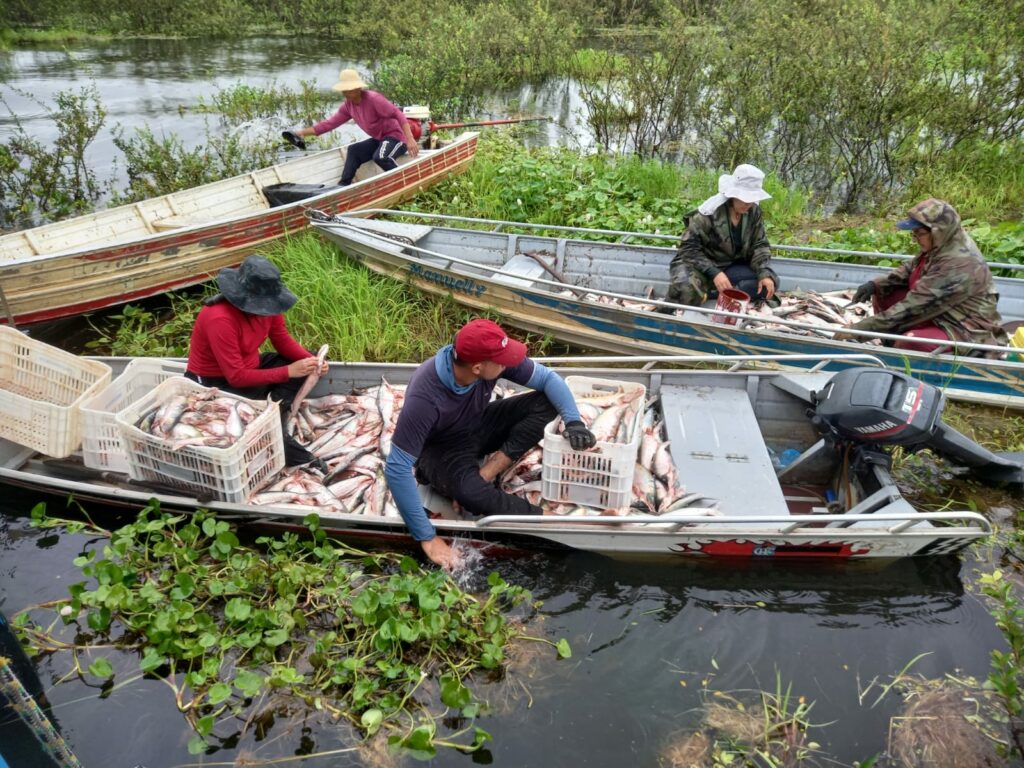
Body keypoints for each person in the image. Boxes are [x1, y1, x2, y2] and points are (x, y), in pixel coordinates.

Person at [384, 318, 597, 570]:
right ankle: (550, 521)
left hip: (477, 422)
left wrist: (573, 421)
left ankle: (488, 472)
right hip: (441, 449)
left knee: (547, 402)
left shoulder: (487, 362)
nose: (508, 362)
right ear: (477, 368)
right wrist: (427, 538)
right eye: (502, 359)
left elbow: (548, 379)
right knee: (472, 494)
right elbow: (397, 468)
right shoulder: (425, 397)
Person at [185, 255, 329, 470]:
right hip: (216, 383)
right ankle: (297, 454)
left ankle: (277, 409)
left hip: (250, 368)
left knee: (305, 359)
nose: (265, 311)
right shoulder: (219, 318)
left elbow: (280, 338)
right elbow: (236, 376)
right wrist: (289, 371)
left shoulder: (269, 308)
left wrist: (310, 361)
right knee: (274, 431)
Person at [834, 198, 1007, 355]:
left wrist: (859, 330)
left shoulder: (958, 263)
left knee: (911, 343)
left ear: (938, 231)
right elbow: (911, 267)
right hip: (942, 313)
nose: (915, 238)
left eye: (919, 233)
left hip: (964, 328)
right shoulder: (942, 243)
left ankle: (909, 361)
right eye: (913, 233)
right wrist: (875, 284)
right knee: (884, 290)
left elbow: (914, 306)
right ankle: (891, 342)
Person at [665, 163, 778, 308]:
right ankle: (709, 290)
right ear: (733, 195)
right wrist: (714, 273)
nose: (748, 204)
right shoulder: (709, 213)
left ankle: (713, 293)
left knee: (769, 283)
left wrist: (764, 272)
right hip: (698, 265)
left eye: (751, 199)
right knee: (687, 290)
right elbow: (688, 249)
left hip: (729, 265)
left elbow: (760, 245)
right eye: (744, 199)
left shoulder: (753, 211)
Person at [286, 68, 419, 186]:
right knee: (354, 150)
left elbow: (398, 114)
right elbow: (329, 124)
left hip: (396, 138)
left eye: (349, 89)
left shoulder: (374, 99)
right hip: (380, 139)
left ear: (358, 88)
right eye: (344, 89)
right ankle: (343, 186)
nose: (346, 92)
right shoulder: (348, 106)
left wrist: (410, 139)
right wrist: (302, 133)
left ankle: (404, 181)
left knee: (381, 157)